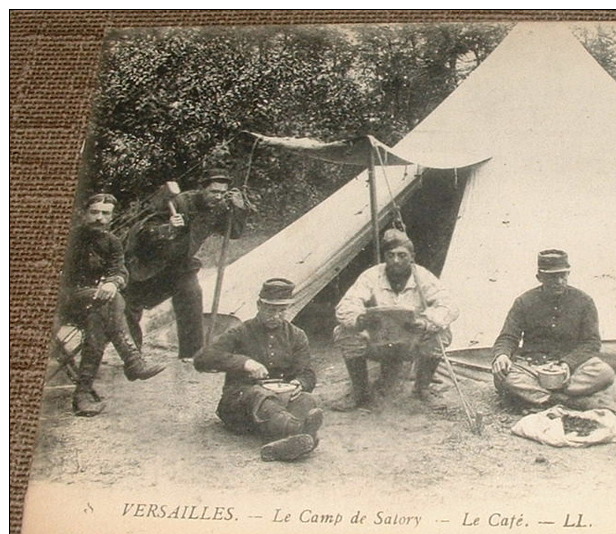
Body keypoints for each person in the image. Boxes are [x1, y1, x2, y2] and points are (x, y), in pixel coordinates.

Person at [122, 167, 249, 361]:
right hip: (147, 264)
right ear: (202, 189)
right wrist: (168, 227)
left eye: (223, 193)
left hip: (180, 266)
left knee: (192, 294)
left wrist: (239, 209)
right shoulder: (178, 202)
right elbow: (143, 232)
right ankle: (132, 357)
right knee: (131, 306)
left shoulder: (218, 208)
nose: (218, 196)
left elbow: (234, 232)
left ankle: (192, 354)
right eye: (214, 191)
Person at [193, 278, 323, 462]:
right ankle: (301, 433)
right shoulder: (240, 331)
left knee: (307, 400)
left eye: (282, 310)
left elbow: (307, 373)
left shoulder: (296, 335)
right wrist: (245, 363)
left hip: (279, 404)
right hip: (239, 407)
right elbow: (202, 359)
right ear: (259, 305)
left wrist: (299, 383)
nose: (276, 316)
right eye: (271, 309)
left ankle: (280, 446)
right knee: (258, 394)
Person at [59, 194, 165, 417]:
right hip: (63, 300)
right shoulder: (68, 237)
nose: (99, 218)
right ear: (84, 213)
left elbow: (119, 270)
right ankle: (132, 362)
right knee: (112, 301)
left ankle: (83, 395)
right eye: (94, 212)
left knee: (101, 316)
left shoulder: (112, 242)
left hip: (92, 304)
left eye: (105, 214)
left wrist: (113, 282)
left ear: (111, 217)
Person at [334, 229, 459, 409]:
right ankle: (360, 391)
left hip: (411, 343)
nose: (396, 261)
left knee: (443, 333)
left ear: (412, 257)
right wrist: (360, 319)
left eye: (402, 255)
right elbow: (347, 304)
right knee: (344, 332)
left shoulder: (422, 276)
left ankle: (422, 388)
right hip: (378, 342)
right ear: (385, 256)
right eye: (390, 255)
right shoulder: (372, 275)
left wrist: (425, 323)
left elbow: (449, 306)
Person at [491, 249, 615, 411]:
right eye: (552, 277)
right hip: (533, 366)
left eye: (563, 275)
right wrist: (502, 355)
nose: (559, 281)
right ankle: (566, 400)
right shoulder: (524, 301)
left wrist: (567, 364)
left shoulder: (584, 301)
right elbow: (508, 336)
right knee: (504, 377)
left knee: (604, 373)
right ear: (539, 278)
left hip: (570, 368)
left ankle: (539, 397)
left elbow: (591, 342)